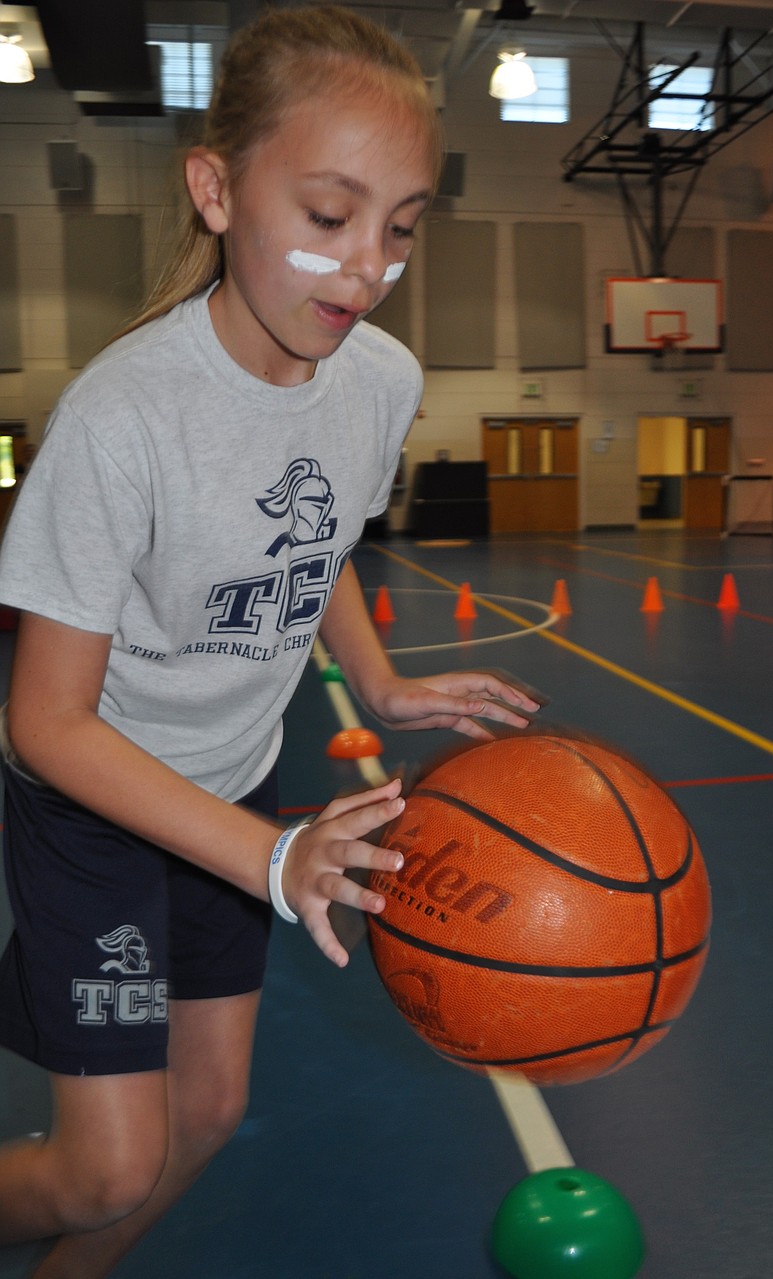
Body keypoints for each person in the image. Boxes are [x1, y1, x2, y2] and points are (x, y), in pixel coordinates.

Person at [0, 7, 539, 1276]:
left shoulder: (379, 382)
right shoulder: (125, 418)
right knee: (105, 1166)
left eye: (401, 227)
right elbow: (44, 722)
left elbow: (320, 546)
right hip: (101, 801)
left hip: (234, 782)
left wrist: (385, 679)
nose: (365, 267)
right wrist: (273, 851)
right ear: (216, 190)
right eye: (329, 215)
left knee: (211, 1112)